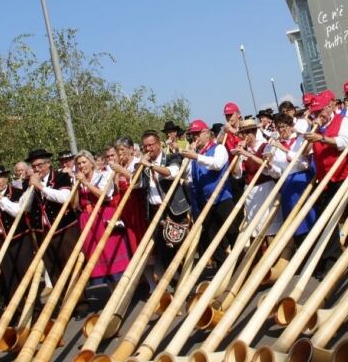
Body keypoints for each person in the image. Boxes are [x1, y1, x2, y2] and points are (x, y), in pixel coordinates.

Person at [303, 92, 348, 276]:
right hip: (325, 180)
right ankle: (330, 262)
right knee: (327, 221)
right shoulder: (316, 128)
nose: (318, 116)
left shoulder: (343, 121)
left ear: (329, 107)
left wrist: (321, 138)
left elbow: (344, 142)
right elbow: (304, 155)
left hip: (344, 175)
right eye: (314, 112)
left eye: (320, 111)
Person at [181, 119, 238, 267]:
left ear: (206, 133)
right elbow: (186, 176)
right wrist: (188, 159)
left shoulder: (218, 148)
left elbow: (217, 164)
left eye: (197, 134)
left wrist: (196, 157)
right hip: (205, 202)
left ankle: (242, 262)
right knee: (209, 237)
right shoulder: (195, 155)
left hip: (222, 198)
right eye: (192, 136)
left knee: (232, 231)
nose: (195, 138)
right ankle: (223, 266)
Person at [139, 129, 192, 287]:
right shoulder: (143, 165)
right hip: (156, 213)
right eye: (145, 146)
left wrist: (150, 166)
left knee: (179, 248)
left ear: (159, 144)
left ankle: (187, 282)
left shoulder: (172, 157)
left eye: (151, 145)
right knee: (164, 252)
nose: (148, 149)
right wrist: (140, 167)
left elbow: (171, 173)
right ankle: (177, 285)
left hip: (174, 210)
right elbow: (137, 184)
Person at [72, 151, 129, 285]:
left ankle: (120, 286)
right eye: (78, 163)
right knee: (94, 252)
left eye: (84, 162)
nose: (81, 166)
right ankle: (106, 287)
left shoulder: (103, 176)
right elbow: (74, 205)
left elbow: (104, 195)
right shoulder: (78, 181)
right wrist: (75, 186)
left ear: (91, 163)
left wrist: (86, 182)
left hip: (103, 215)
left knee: (109, 250)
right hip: (86, 219)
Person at [24, 149, 79, 284]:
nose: (37, 169)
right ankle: (61, 300)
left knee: (69, 264)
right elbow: (25, 207)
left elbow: (65, 198)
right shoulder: (28, 183)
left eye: (40, 165)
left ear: (48, 164)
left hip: (63, 228)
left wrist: (41, 187)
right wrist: (31, 188)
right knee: (53, 268)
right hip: (42, 231)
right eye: (34, 166)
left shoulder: (61, 177)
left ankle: (79, 302)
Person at [0, 165, 34, 301]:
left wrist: (0, 197)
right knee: (9, 277)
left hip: (19, 240)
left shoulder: (17, 191)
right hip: (0, 242)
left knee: (25, 274)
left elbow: (17, 211)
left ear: (6, 178)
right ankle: (16, 312)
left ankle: (34, 310)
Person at [231, 119, 282, 239]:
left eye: (245, 133)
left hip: (265, 189)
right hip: (250, 191)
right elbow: (236, 173)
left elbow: (266, 166)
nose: (243, 137)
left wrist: (249, 155)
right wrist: (239, 156)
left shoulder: (265, 146)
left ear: (252, 132)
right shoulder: (243, 150)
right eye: (241, 134)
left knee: (269, 227)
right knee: (254, 229)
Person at [270, 112, 316, 245]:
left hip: (301, 181)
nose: (281, 130)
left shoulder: (299, 140)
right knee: (294, 225)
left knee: (308, 218)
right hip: (287, 185)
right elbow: (279, 172)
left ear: (291, 126)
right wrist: (271, 167)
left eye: (283, 126)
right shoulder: (276, 146)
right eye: (278, 128)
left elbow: (304, 164)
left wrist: (285, 150)